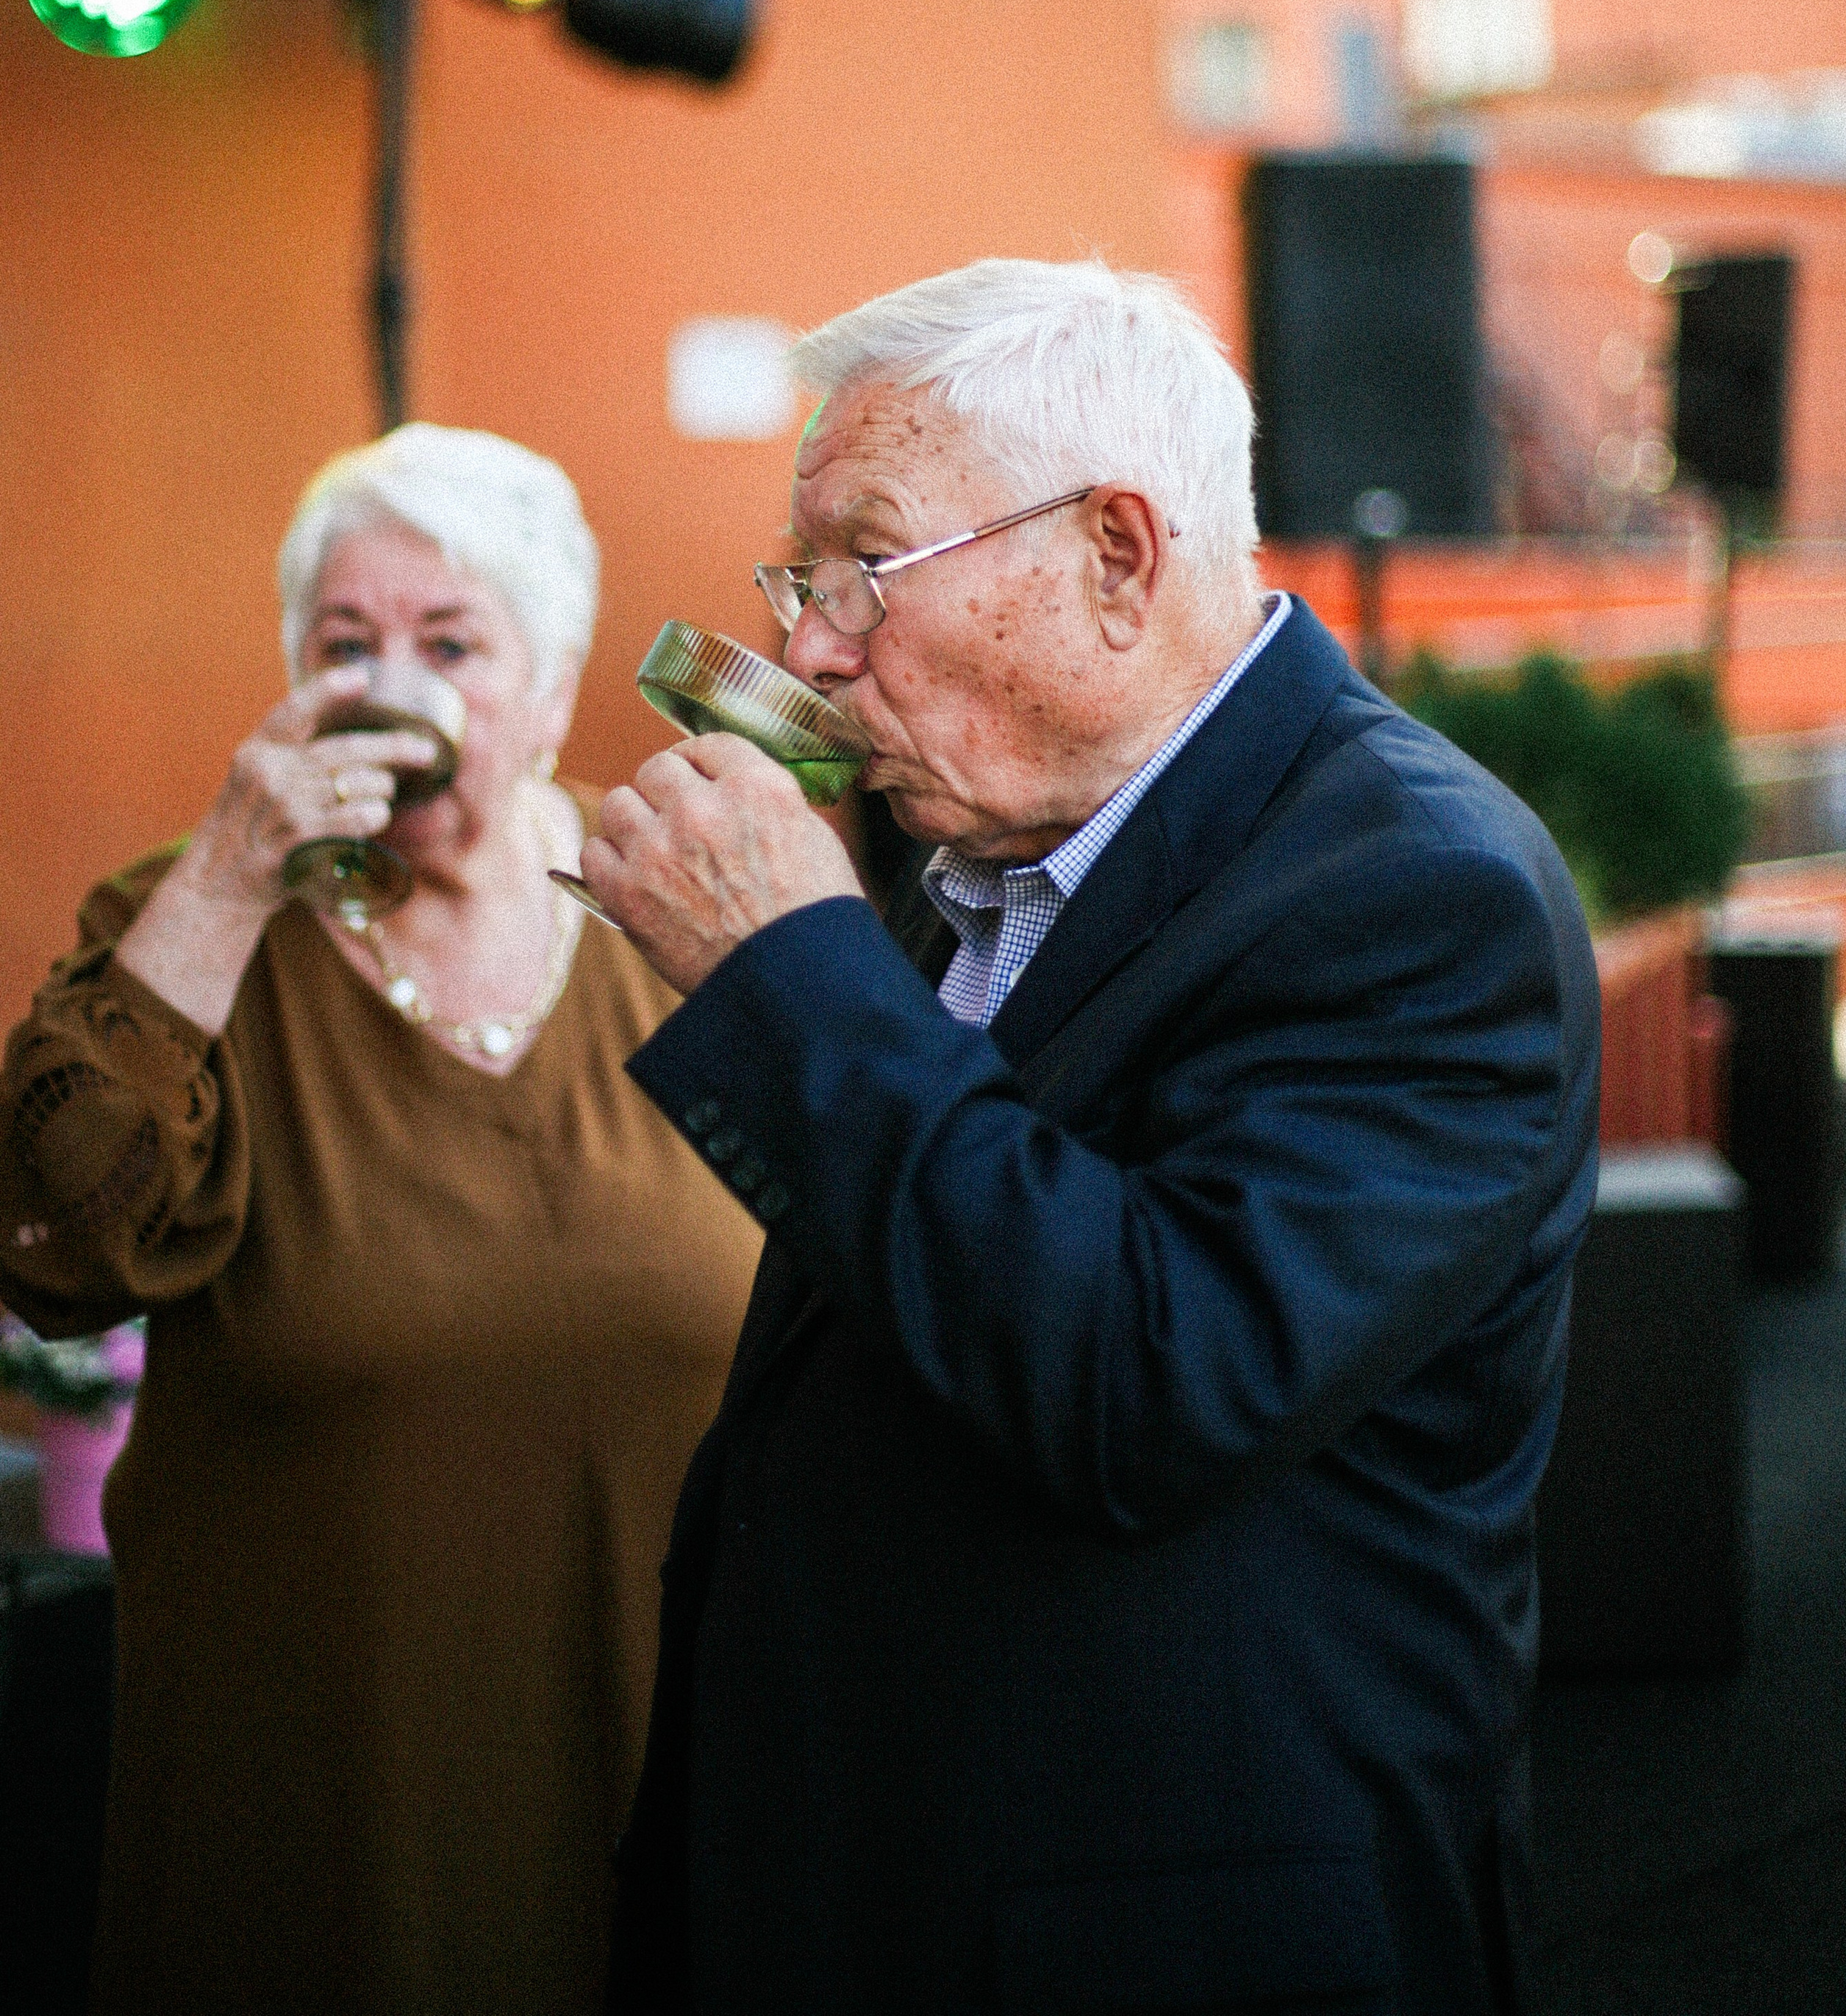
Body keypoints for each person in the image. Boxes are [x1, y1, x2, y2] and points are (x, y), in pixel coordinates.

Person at [584, 260, 1600, 2016]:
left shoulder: (1419, 892)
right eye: (798, 576)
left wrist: (784, 970)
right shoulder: (953, 847)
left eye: (861, 569)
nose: (811, 645)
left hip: (1162, 1929)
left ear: (1116, 556)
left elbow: (1149, 1381)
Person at [0, 423, 762, 2016]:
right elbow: (57, 1250)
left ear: (552, 687)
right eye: (344, 646)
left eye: (450, 644)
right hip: (310, 1835)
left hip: (671, 1784)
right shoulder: (188, 918)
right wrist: (227, 875)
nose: (388, 688)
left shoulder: (688, 911)